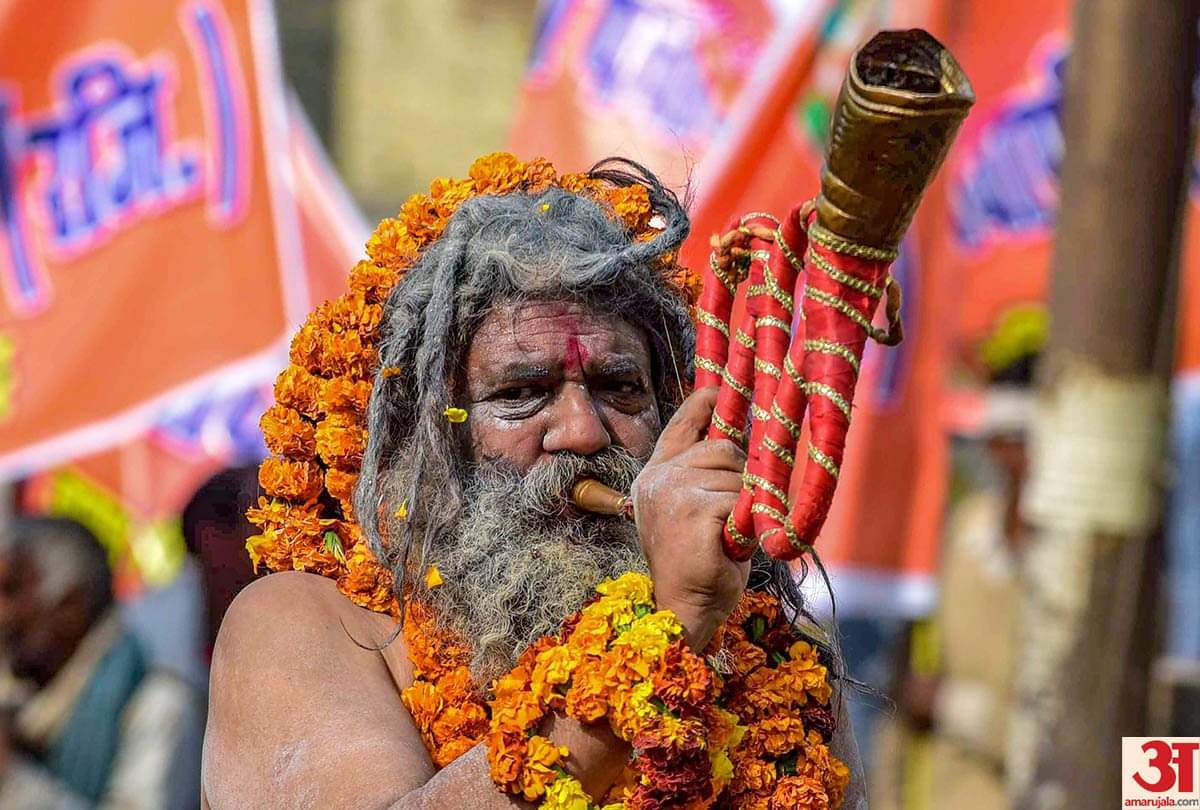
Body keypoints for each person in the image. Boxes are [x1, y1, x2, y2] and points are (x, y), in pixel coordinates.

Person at [203, 155, 865, 808]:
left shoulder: (769, 659)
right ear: (424, 443)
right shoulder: (305, 626)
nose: (582, 431)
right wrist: (669, 627)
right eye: (522, 392)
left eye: (620, 388)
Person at [0, 517, 202, 809]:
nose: (3, 615)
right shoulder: (23, 701)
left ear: (70, 606)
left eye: (12, 590)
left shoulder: (159, 703)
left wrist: (13, 777)